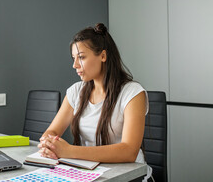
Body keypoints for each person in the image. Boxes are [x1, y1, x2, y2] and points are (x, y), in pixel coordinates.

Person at [38, 23, 149, 163]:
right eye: (74, 58)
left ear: (103, 56)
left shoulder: (132, 93)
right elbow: (52, 131)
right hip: (88, 170)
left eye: (81, 57)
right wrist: (48, 142)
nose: (75, 65)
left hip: (128, 174)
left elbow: (129, 151)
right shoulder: (75, 91)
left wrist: (69, 151)